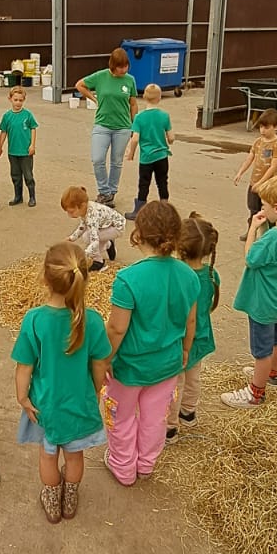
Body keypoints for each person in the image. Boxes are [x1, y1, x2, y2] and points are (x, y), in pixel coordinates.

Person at [12, 242, 111, 522]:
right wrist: (95, 389)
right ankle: (70, 497)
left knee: (47, 456)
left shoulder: (34, 320)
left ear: (45, 278)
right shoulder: (91, 320)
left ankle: (53, 500)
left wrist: (23, 398)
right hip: (79, 403)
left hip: (46, 405)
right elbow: (101, 362)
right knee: (75, 455)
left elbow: (24, 367)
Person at [103, 201, 198, 486]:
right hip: (167, 365)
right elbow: (191, 323)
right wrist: (184, 351)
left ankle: (123, 467)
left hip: (130, 367)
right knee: (155, 418)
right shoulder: (189, 275)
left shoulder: (128, 279)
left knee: (120, 417)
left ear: (138, 234)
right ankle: (146, 464)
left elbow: (117, 328)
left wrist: (104, 359)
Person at [220, 174, 277, 408]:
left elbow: (251, 258)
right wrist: (266, 224)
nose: (263, 209)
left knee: (261, 350)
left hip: (262, 303)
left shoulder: (273, 237)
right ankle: (272, 374)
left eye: (265, 206)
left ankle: (256, 393)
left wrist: (253, 228)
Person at [166, 215, 219, 439]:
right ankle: (188, 412)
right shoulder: (211, 273)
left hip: (180, 337)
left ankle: (170, 426)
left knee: (174, 381)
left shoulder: (179, 276)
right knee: (193, 376)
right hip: (202, 334)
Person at [75, 48, 138, 204]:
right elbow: (80, 85)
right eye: (120, 66)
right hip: (102, 124)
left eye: (126, 66)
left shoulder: (130, 80)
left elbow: (133, 104)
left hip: (123, 126)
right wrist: (93, 98)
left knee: (116, 162)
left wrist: (134, 125)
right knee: (97, 159)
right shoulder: (100, 76)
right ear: (113, 65)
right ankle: (104, 190)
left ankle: (111, 193)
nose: (123, 69)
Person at [124, 83, 175, 217]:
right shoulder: (164, 116)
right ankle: (165, 209)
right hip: (162, 156)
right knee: (162, 182)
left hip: (146, 158)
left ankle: (139, 210)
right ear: (159, 98)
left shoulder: (139, 118)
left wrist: (131, 153)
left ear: (145, 97)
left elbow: (135, 139)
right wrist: (169, 141)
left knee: (144, 183)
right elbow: (171, 137)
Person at [233, 109, 277, 240]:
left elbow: (274, 166)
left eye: (266, 127)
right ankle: (251, 231)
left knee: (270, 211)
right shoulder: (258, 141)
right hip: (254, 182)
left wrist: (261, 183)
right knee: (253, 208)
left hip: (268, 185)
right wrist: (240, 172)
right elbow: (250, 157)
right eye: (261, 127)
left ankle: (270, 235)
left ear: (276, 127)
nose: (262, 130)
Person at [60, 184, 126, 271]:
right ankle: (108, 244)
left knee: (88, 238)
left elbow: (94, 241)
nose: (69, 215)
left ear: (82, 206)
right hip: (107, 225)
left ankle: (99, 262)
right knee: (89, 237)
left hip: (117, 227)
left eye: (71, 212)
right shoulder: (86, 208)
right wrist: (72, 238)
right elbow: (82, 226)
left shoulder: (92, 217)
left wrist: (84, 254)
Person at [0, 86, 38, 207]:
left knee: (28, 175)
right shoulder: (7, 116)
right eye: (15, 100)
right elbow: (3, 132)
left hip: (26, 151)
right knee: (15, 175)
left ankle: (32, 197)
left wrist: (32, 145)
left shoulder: (27, 115)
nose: (18, 102)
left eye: (20, 100)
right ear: (10, 99)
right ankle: (18, 196)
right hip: (13, 151)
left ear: (24, 100)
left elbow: (33, 128)